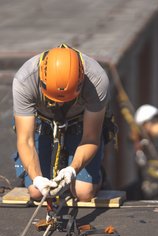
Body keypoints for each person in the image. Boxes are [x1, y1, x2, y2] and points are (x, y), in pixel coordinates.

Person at [12, 43, 114, 202]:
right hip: (42, 121)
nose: (60, 104)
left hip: (80, 121)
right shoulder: (25, 80)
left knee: (83, 193)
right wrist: (37, 178)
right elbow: (25, 140)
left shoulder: (97, 80)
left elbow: (90, 138)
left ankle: (95, 175)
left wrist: (73, 170)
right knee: (37, 193)